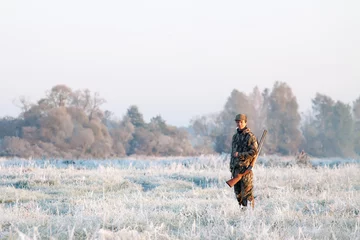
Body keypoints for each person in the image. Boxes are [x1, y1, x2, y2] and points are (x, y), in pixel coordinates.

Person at [230, 113, 259, 209]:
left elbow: (254, 152)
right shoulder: (235, 137)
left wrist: (241, 155)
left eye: (241, 122)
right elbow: (232, 153)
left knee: (247, 195)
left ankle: (251, 216)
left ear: (245, 122)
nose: (239, 124)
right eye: (237, 122)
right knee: (238, 196)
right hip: (236, 170)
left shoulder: (250, 136)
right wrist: (232, 168)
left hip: (245, 170)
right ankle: (242, 215)